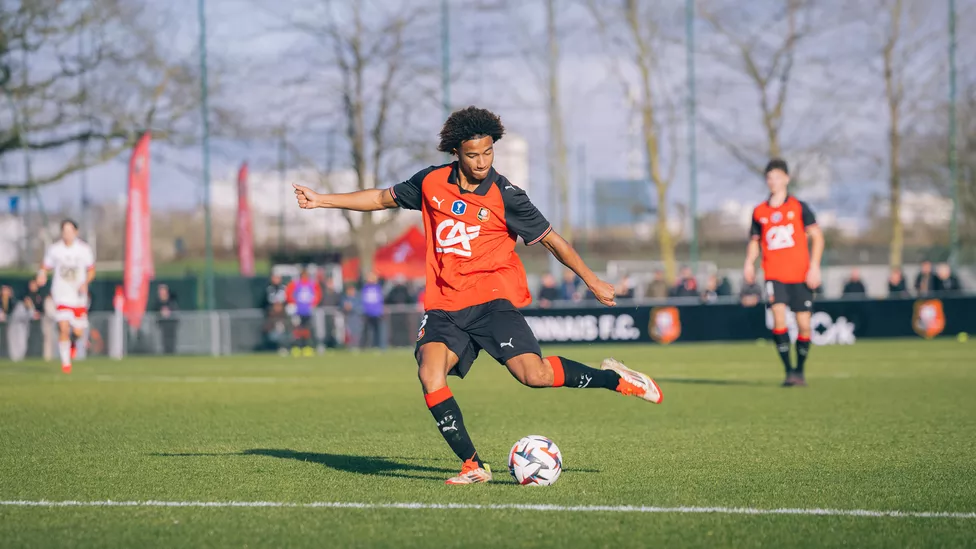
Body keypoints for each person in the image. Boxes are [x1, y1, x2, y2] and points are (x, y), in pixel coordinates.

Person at [292, 106, 662, 485]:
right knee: (429, 373)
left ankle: (616, 380)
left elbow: (553, 241)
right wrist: (322, 200)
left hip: (492, 301)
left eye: (488, 152)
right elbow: (380, 199)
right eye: (473, 155)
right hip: (444, 306)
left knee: (533, 376)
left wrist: (591, 280)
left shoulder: (508, 196)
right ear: (457, 153)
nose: (482, 161)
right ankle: (473, 465)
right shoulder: (431, 183)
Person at [744, 159, 824, 387]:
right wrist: (749, 263)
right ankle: (788, 371)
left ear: (786, 179)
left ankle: (800, 370)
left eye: (777, 177)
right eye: (769, 178)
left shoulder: (799, 207)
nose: (773, 182)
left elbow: (817, 236)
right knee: (779, 317)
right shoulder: (760, 211)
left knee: (804, 325)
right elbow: (754, 241)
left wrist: (815, 266)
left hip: (800, 275)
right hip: (774, 274)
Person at [36, 219, 96, 374]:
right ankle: (66, 364)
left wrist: (85, 282)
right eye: (64, 231)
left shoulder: (83, 249)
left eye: (70, 231)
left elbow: (91, 270)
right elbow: (45, 266)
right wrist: (41, 275)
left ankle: (74, 344)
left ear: (76, 232)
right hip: (61, 294)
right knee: (63, 328)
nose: (67, 234)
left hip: (78, 296)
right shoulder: (55, 250)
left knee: (77, 332)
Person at [285, 269, 321, 357]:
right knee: (297, 330)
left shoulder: (312, 284)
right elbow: (289, 294)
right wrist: (293, 304)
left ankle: (307, 347)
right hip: (298, 311)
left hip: (308, 311)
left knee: (307, 330)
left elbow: (318, 295)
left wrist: (313, 304)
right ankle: (296, 347)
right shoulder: (295, 284)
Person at [360, 273, 386, 350]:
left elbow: (383, 279)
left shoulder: (378, 287)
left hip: (376, 313)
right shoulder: (365, 287)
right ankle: (364, 346)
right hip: (367, 312)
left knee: (377, 331)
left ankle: (378, 346)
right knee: (366, 331)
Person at [154, 284, 180, 355]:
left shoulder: (172, 302)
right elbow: (154, 312)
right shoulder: (157, 303)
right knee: (164, 341)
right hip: (162, 325)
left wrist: (169, 312)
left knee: (171, 340)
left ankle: (172, 353)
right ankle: (165, 354)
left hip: (171, 325)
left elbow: (176, 311)